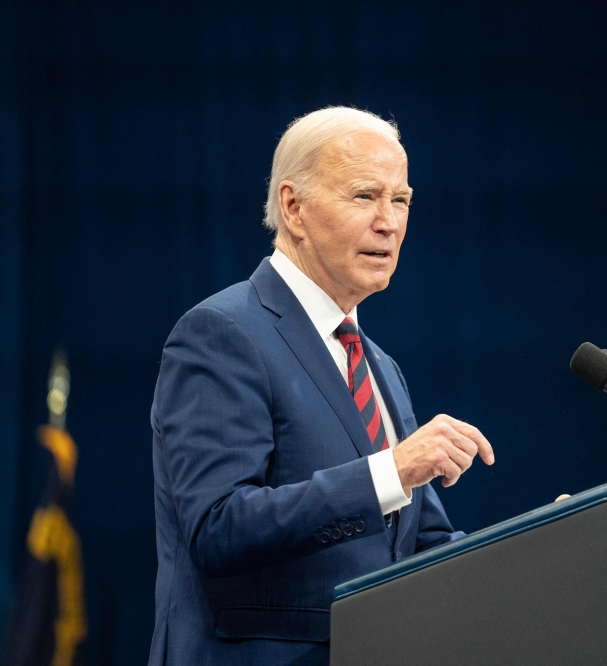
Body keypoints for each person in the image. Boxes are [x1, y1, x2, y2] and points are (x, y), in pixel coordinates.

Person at [148, 107, 496, 665]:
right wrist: (392, 470)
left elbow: (424, 547)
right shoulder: (223, 332)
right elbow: (220, 527)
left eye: (401, 200)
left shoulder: (380, 365)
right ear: (293, 207)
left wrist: (542, 545)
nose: (389, 221)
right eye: (364, 197)